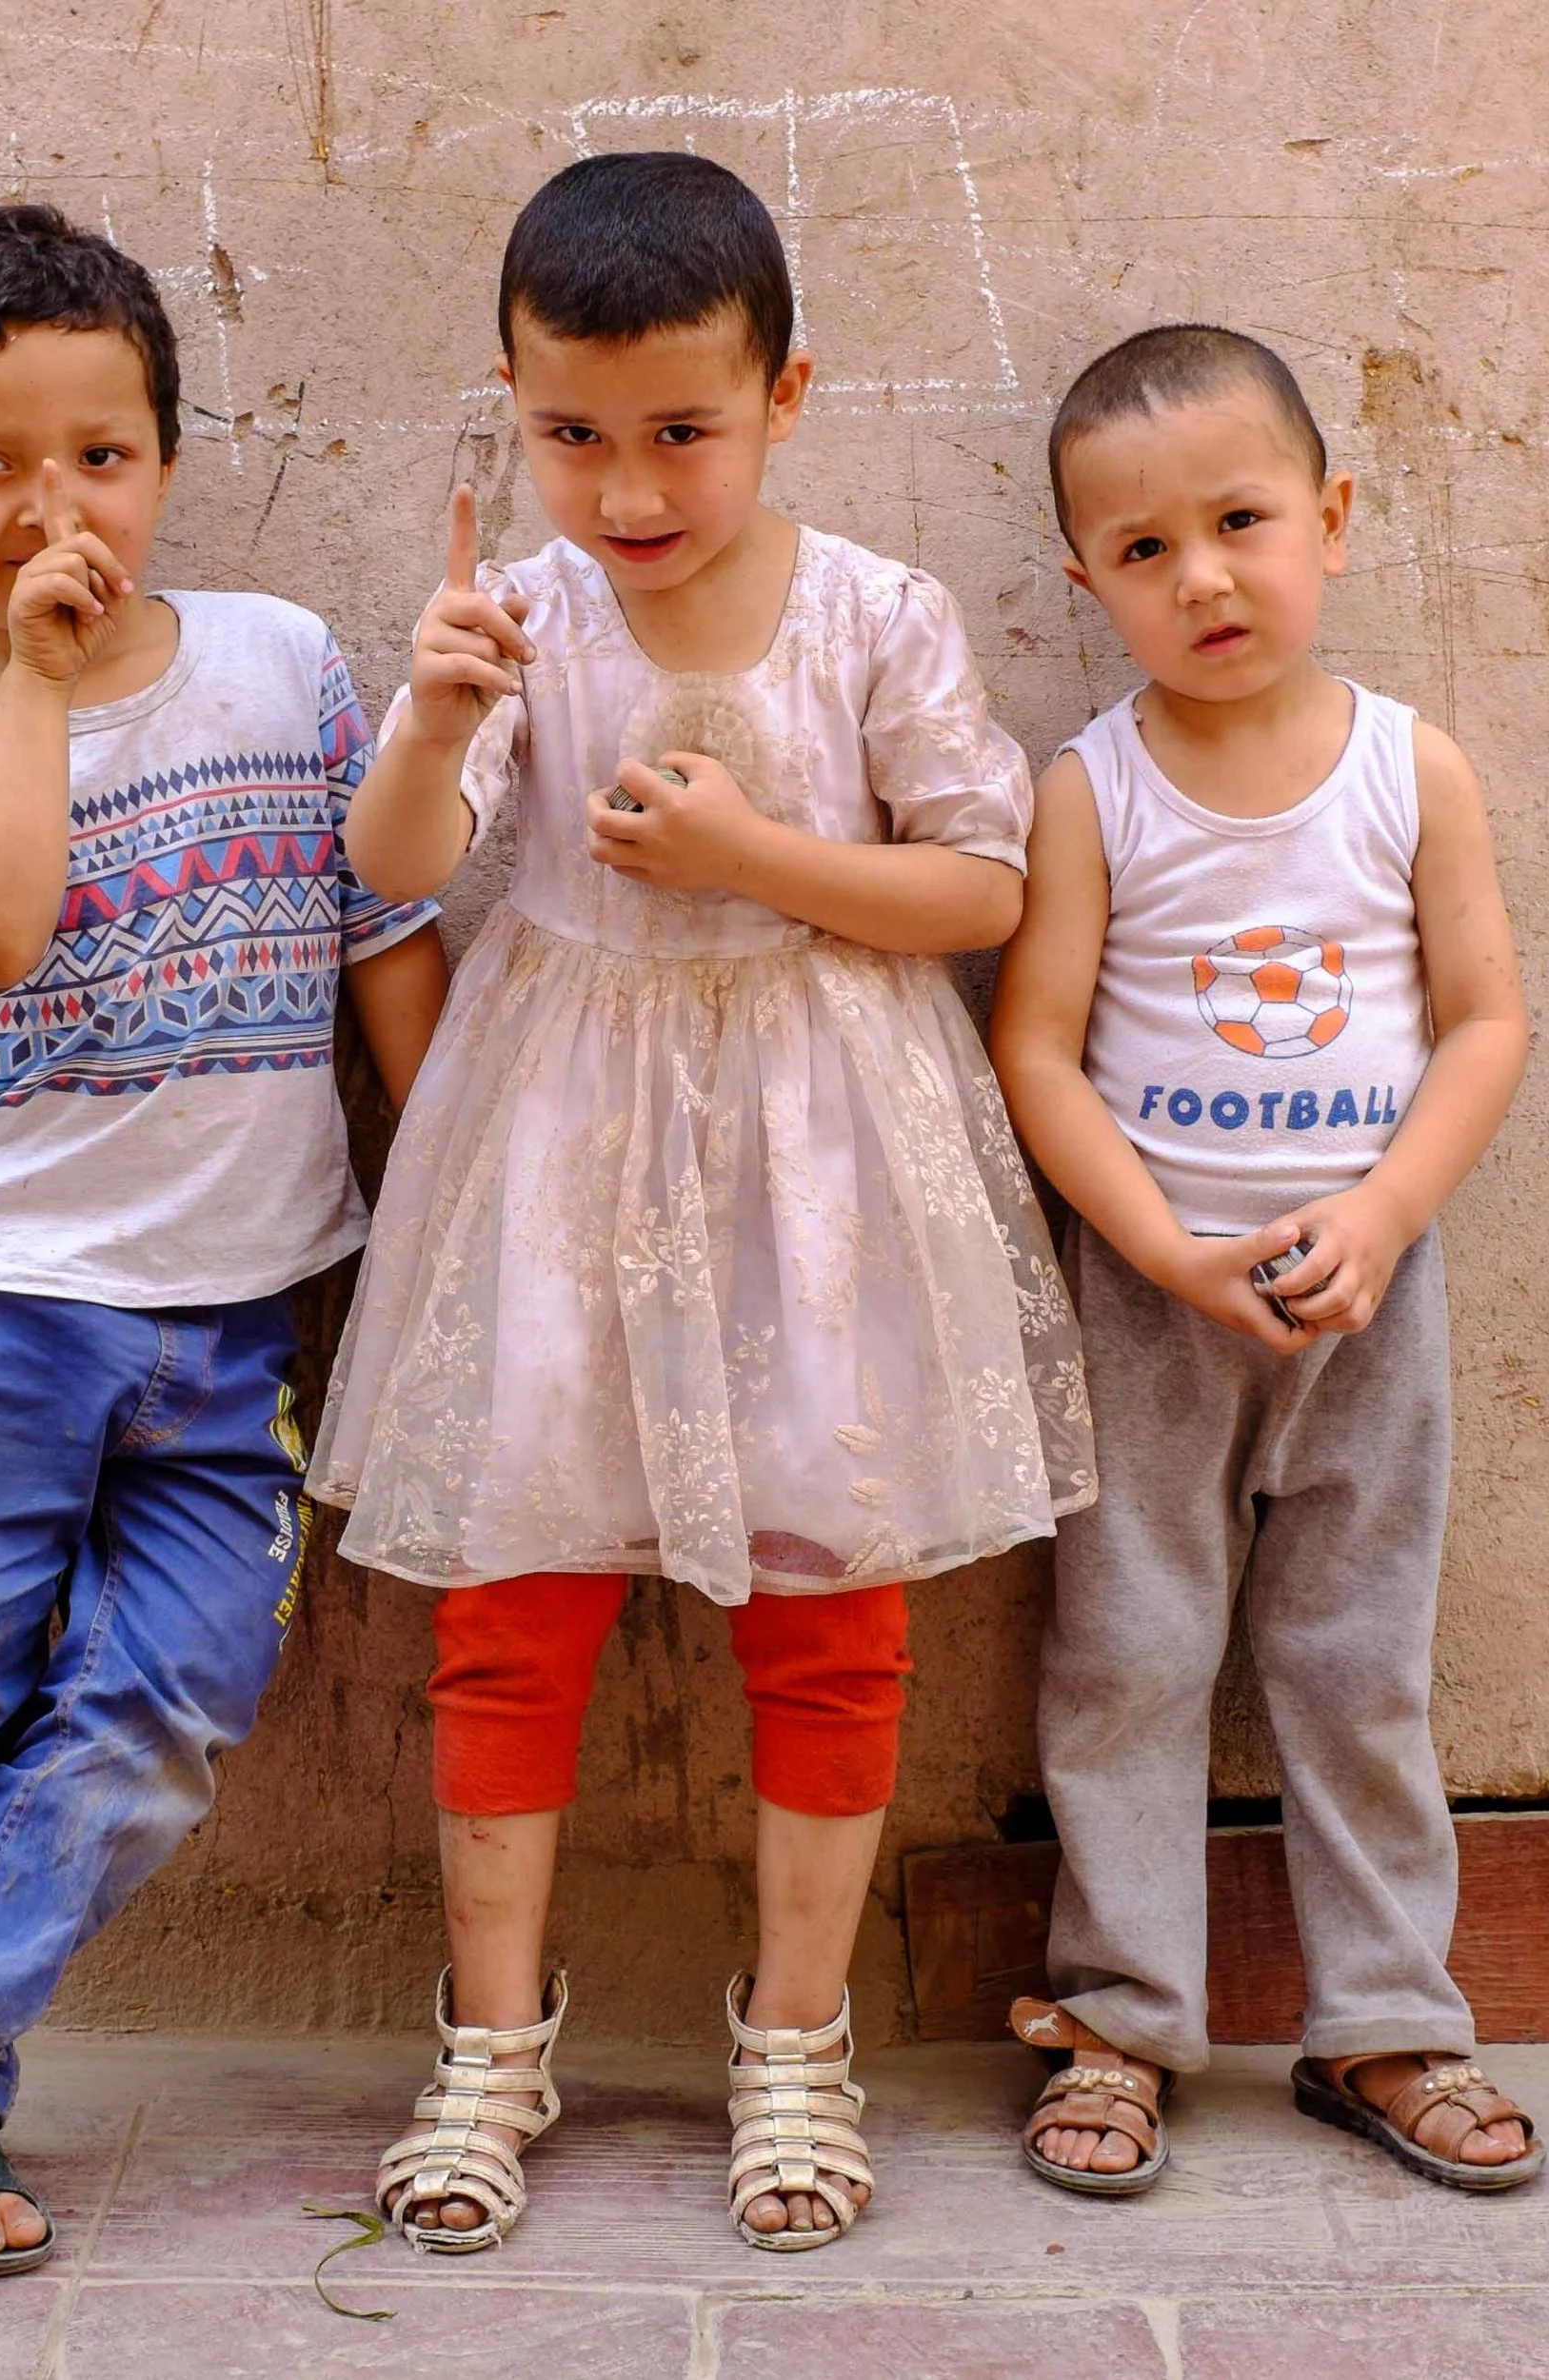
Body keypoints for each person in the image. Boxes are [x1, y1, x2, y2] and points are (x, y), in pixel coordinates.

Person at [308, 151, 1095, 2257]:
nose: (629, 486)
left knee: (831, 1605)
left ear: (784, 396)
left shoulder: (875, 614)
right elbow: (396, 868)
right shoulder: (519, 618)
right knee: (509, 1599)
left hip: (821, 1165)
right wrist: (433, 714)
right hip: (562, 1154)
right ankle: (491, 2042)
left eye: (683, 429)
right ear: (510, 404)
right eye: (572, 434)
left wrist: (755, 860)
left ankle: (797, 2035)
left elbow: (980, 885)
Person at [0, 203, 449, 2310]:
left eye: (102, 456)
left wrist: (444, 1200)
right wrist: (36, 678)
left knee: (173, 1698)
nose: (57, 509)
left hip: (233, 1320)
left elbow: (382, 934)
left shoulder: (282, 660)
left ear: (167, 459)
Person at [987, 323, 1542, 2195]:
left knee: (1357, 1660)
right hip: (1152, 1306)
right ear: (1086, 580)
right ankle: (1122, 2017)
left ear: (1331, 515)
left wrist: (1382, 1214)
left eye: (1239, 521)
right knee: (1127, 1657)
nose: (1202, 578)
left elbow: (1484, 1022)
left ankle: (1387, 2018)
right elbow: (1034, 1050)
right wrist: (1155, 1247)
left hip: (1368, 1299)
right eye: (1142, 548)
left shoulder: (1408, 768)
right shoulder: (1092, 791)